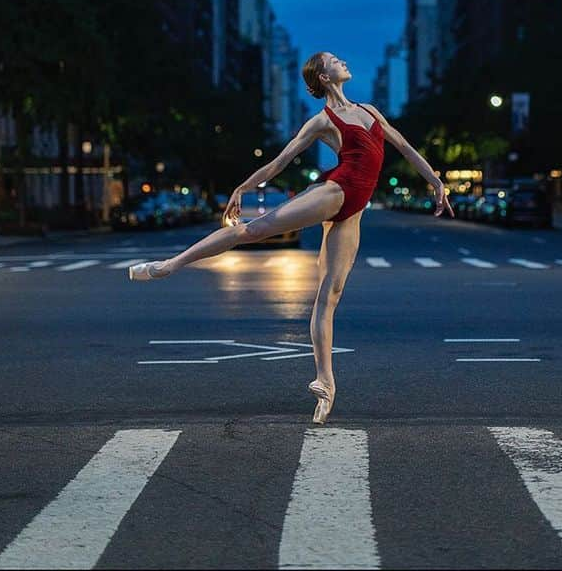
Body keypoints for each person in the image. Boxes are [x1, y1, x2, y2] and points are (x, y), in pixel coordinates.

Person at [129, 50, 454, 422]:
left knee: (329, 295)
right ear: (323, 76)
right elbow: (280, 162)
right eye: (333, 60)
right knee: (252, 230)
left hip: (354, 212)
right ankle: (168, 266)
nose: (343, 61)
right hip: (336, 190)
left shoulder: (370, 110)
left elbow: (405, 147)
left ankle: (325, 383)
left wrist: (435, 181)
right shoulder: (322, 120)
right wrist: (244, 186)